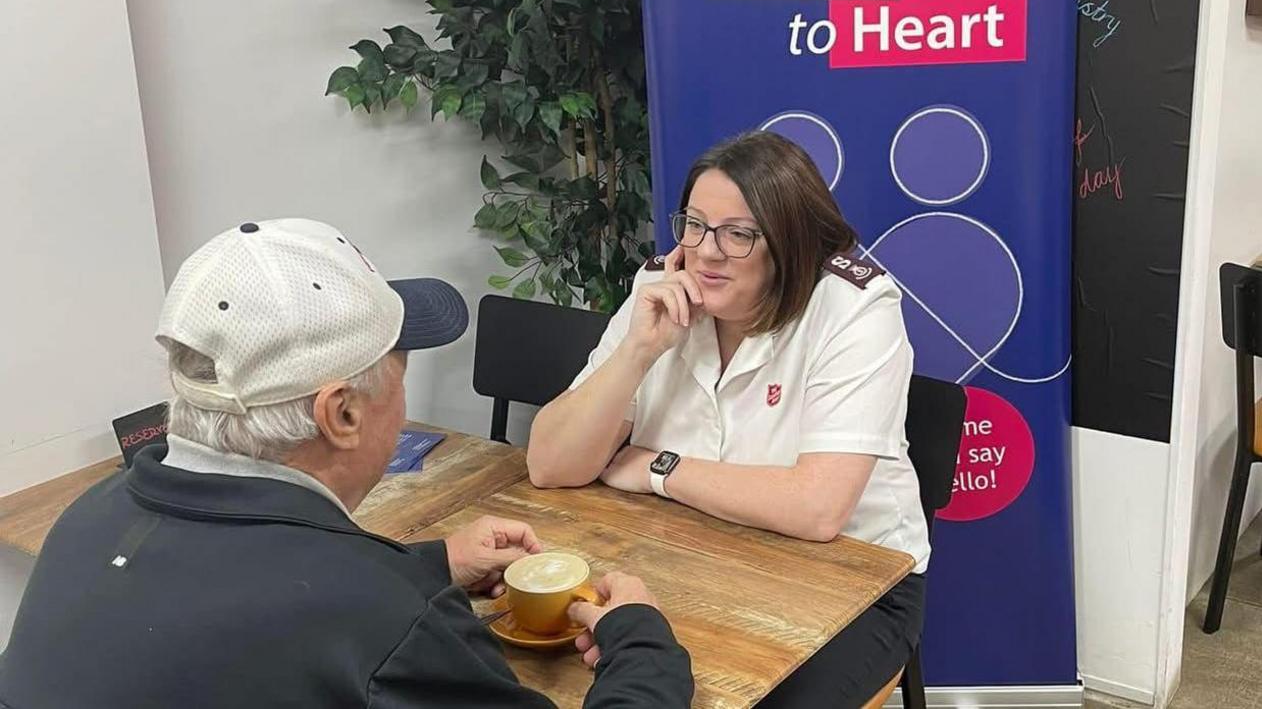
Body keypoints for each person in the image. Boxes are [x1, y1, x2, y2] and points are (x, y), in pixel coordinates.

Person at [0, 218, 693, 709]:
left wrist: (424, 564)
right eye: (399, 370)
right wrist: (642, 648)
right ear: (342, 413)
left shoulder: (84, 524)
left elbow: (254, 599)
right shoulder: (388, 624)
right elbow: (335, 618)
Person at [527, 131, 927, 708]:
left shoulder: (852, 307)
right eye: (693, 224)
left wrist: (658, 468)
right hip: (684, 551)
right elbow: (549, 465)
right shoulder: (660, 287)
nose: (706, 251)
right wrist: (638, 350)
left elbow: (817, 508)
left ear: (792, 243)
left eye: (738, 234)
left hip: (852, 582)